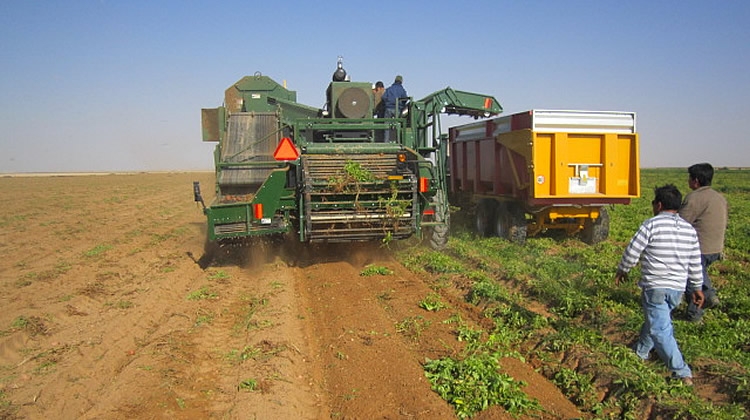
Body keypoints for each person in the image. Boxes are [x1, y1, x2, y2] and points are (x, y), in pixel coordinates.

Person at [614, 184, 703, 386]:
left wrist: (623, 270)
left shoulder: (651, 225)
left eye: (654, 203)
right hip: (677, 289)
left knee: (660, 329)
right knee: (656, 321)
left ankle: (681, 371)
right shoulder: (689, 230)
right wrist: (697, 287)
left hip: (655, 286)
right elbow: (695, 262)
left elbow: (632, 251)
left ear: (659, 205)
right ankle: (640, 353)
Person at [679, 163, 728, 322]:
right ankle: (709, 295)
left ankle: (697, 312)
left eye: (690, 178)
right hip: (716, 247)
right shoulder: (719, 197)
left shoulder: (694, 198)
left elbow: (681, 223)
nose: (688, 181)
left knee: (693, 281)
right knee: (700, 273)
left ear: (696, 181)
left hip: (700, 248)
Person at [381, 75, 407, 141]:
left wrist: (387, 103)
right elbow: (405, 99)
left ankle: (386, 141)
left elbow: (383, 97)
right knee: (397, 126)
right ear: (401, 81)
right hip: (397, 110)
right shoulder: (402, 90)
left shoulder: (389, 89)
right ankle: (398, 141)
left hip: (388, 109)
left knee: (386, 126)